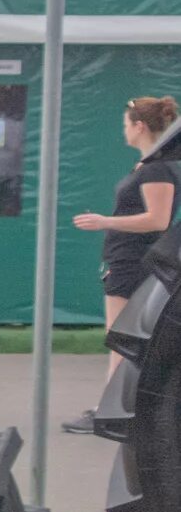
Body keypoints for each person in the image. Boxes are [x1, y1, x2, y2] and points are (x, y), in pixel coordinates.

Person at [63, 94, 179, 430]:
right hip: (126, 261)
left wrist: (104, 221)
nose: (123, 131)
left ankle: (111, 413)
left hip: (133, 264)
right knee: (125, 339)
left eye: (126, 125)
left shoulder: (157, 168)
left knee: (122, 339)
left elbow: (158, 220)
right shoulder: (150, 166)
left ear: (140, 127)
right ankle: (120, 410)